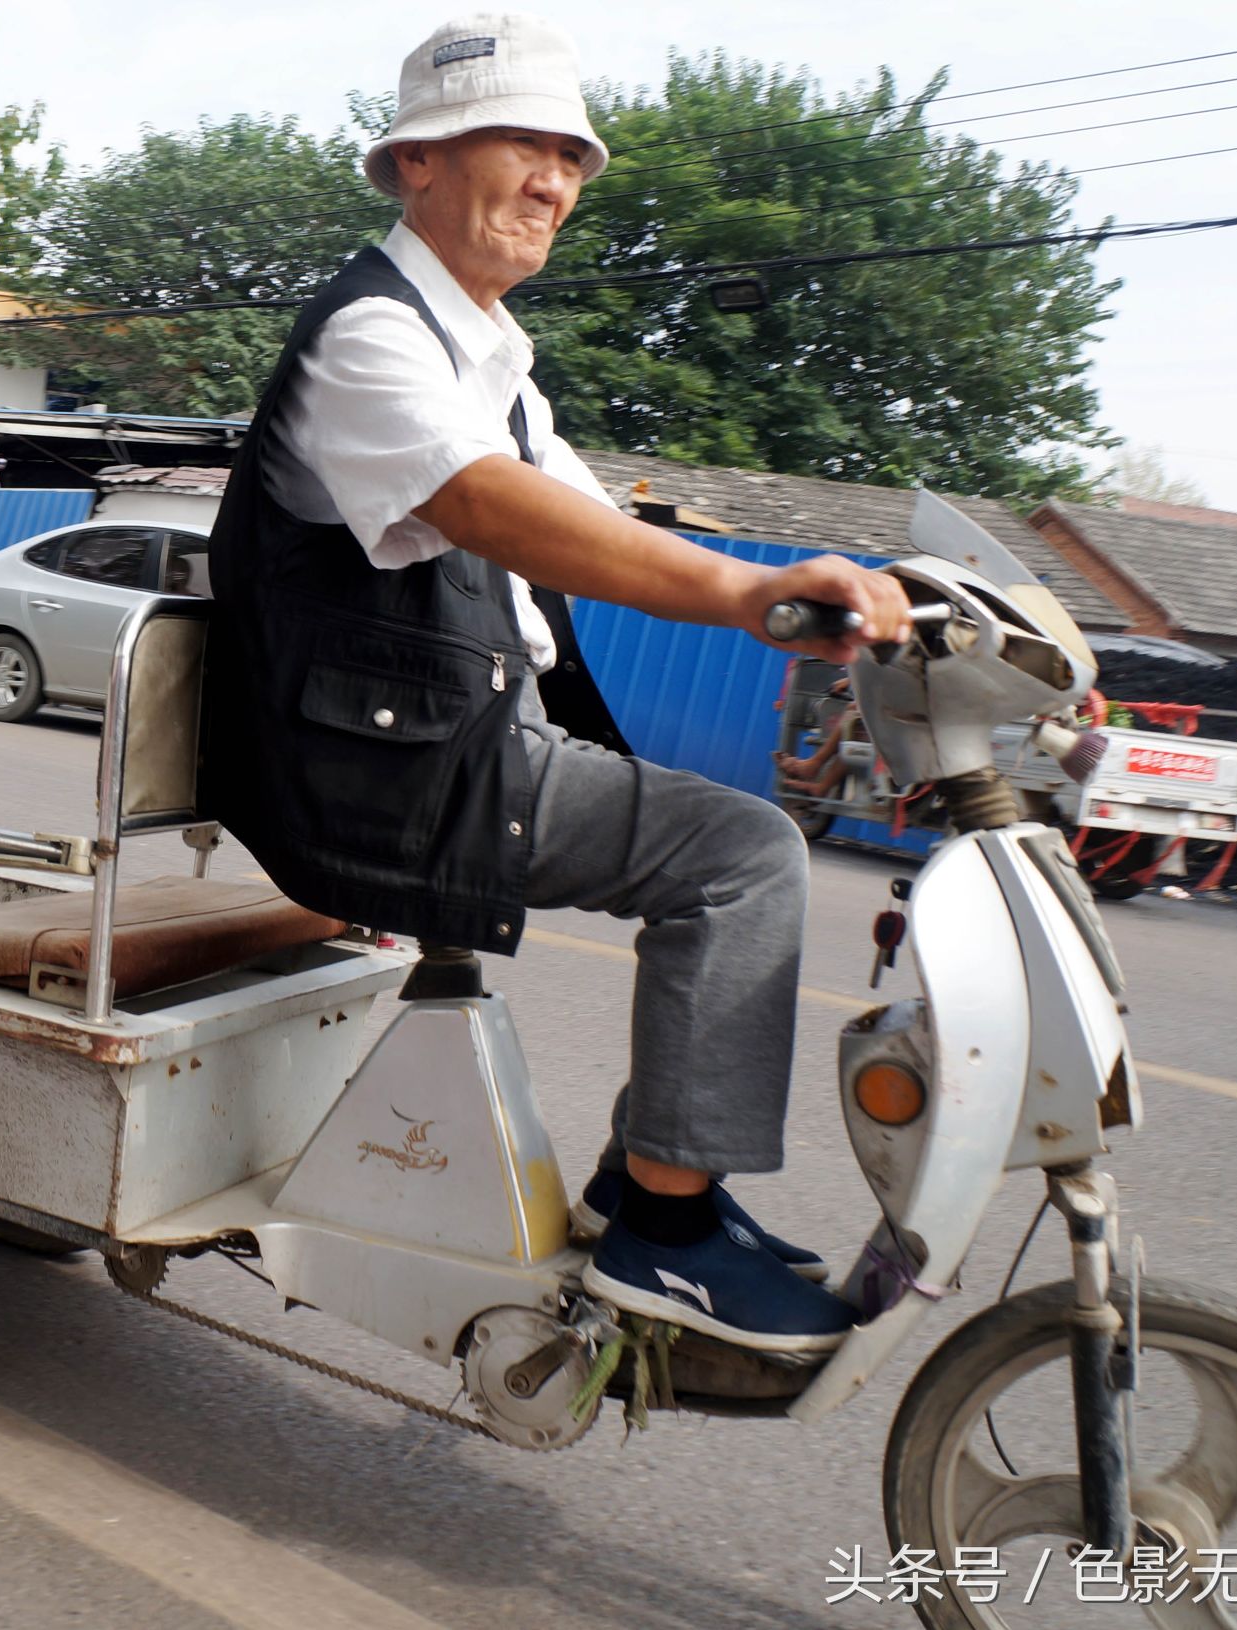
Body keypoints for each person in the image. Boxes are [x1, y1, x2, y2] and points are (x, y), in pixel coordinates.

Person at [202, 14, 912, 1353]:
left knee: (732, 834)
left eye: (572, 157)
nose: (555, 182)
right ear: (415, 161)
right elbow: (488, 508)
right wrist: (738, 592)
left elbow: (592, 526)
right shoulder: (370, 337)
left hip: (448, 748)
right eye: (522, 143)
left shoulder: (492, 361)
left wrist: (802, 601)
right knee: (744, 856)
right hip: (381, 777)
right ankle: (666, 1227)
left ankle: (651, 1184)